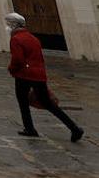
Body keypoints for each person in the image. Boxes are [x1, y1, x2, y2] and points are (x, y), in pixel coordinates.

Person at [6, 13, 84, 142]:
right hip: (39, 75)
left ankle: (29, 128)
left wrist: (11, 69)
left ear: (13, 25)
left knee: (23, 102)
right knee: (49, 104)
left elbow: (18, 59)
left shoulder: (16, 39)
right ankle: (74, 128)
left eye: (8, 24)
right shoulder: (33, 38)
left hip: (24, 75)